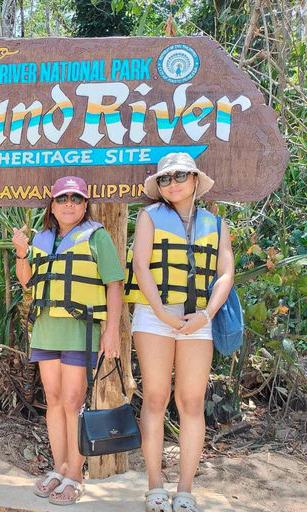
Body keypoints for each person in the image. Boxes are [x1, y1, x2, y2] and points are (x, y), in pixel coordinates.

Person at [124, 153, 234, 512]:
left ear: (195, 179)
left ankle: (185, 488)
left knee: (190, 402)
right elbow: (141, 264)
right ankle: (155, 484)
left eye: (180, 176)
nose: (173, 184)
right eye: (166, 179)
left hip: (198, 318)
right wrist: (160, 312)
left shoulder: (217, 224)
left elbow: (224, 275)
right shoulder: (149, 216)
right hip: (156, 316)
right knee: (155, 398)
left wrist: (206, 314)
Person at [13, 176, 124, 506]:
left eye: (76, 199)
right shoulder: (43, 238)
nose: (69, 204)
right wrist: (22, 253)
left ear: (86, 205)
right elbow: (27, 281)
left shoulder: (97, 237)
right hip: (47, 327)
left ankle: (76, 475)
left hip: (81, 328)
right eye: (63, 199)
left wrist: (111, 331)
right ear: (52, 205)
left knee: (74, 402)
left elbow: (114, 285)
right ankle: (60, 468)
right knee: (55, 398)